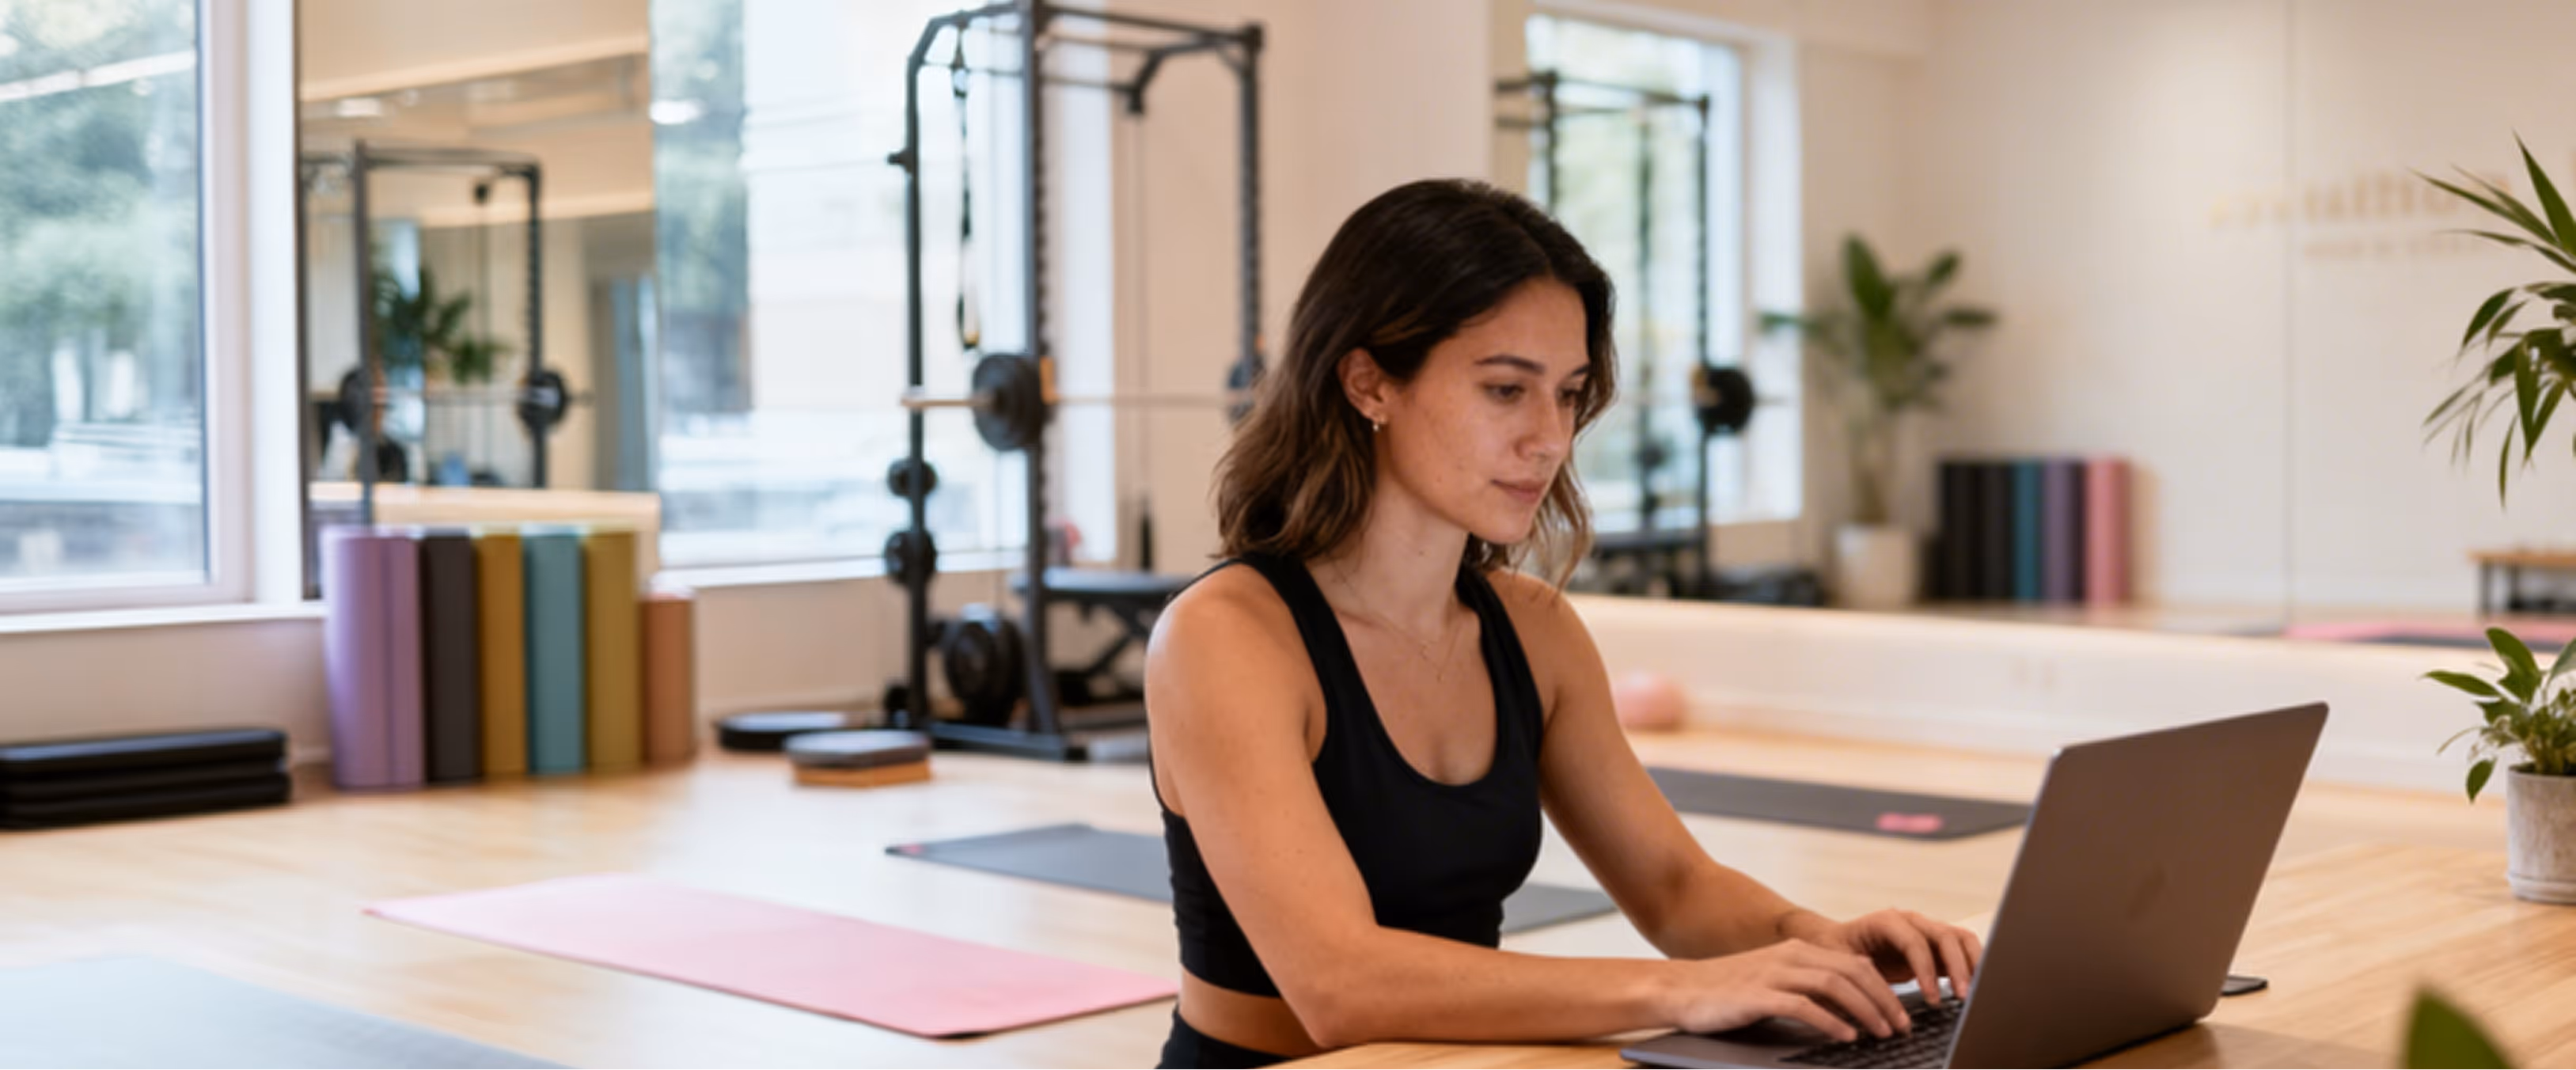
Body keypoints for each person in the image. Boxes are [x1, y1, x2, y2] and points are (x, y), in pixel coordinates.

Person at [1144, 178, 1982, 1070]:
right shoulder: (1226, 636)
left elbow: (1675, 886)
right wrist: (1680, 990)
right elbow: (1339, 983)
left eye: (1570, 393)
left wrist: (1820, 948)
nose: (1550, 436)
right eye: (1507, 389)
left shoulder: (1532, 627)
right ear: (1368, 381)